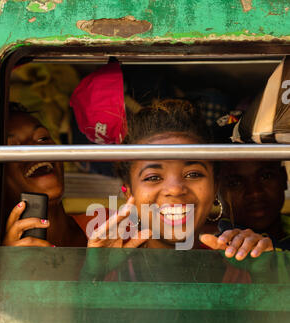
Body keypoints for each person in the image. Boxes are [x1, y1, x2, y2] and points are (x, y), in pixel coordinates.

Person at [87, 100, 273, 260]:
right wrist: (93, 277)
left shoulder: (237, 263)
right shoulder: (108, 267)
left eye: (193, 174)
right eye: (153, 177)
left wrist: (264, 274)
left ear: (215, 185)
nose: (175, 189)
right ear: (129, 191)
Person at [2, 103, 87, 247]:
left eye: (42, 138)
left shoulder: (109, 225)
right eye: (13, 147)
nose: (35, 148)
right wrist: (6, 263)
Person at [218, 160, 290, 250]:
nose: (255, 193)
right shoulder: (215, 251)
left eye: (266, 176)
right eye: (235, 183)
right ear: (215, 192)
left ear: (284, 178)